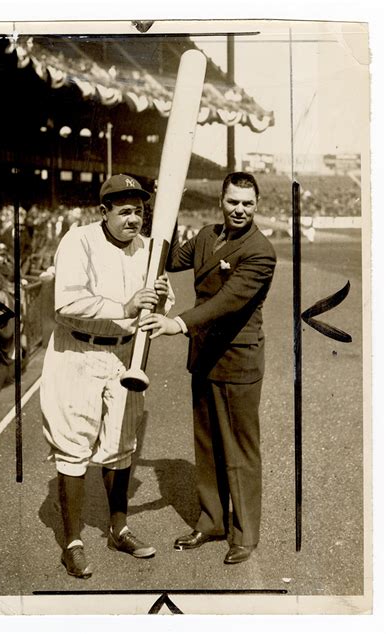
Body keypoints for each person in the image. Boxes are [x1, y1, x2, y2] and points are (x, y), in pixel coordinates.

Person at [40, 174, 173, 579]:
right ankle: (73, 543)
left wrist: (162, 299)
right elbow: (68, 300)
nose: (134, 219)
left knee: (121, 445)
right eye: (126, 211)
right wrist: (127, 304)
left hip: (122, 357)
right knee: (73, 447)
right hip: (77, 352)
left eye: (140, 212)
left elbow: (160, 308)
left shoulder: (148, 249)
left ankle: (119, 528)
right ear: (105, 211)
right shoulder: (78, 240)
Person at [140, 172, 276, 565]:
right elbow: (166, 256)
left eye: (248, 203)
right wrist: (158, 206)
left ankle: (245, 534)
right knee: (207, 445)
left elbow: (227, 303)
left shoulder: (260, 251)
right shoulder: (204, 236)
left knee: (240, 452)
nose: (240, 210)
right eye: (233, 201)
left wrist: (177, 322)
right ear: (221, 200)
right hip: (204, 357)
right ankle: (213, 520)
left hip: (237, 360)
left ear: (257, 205)